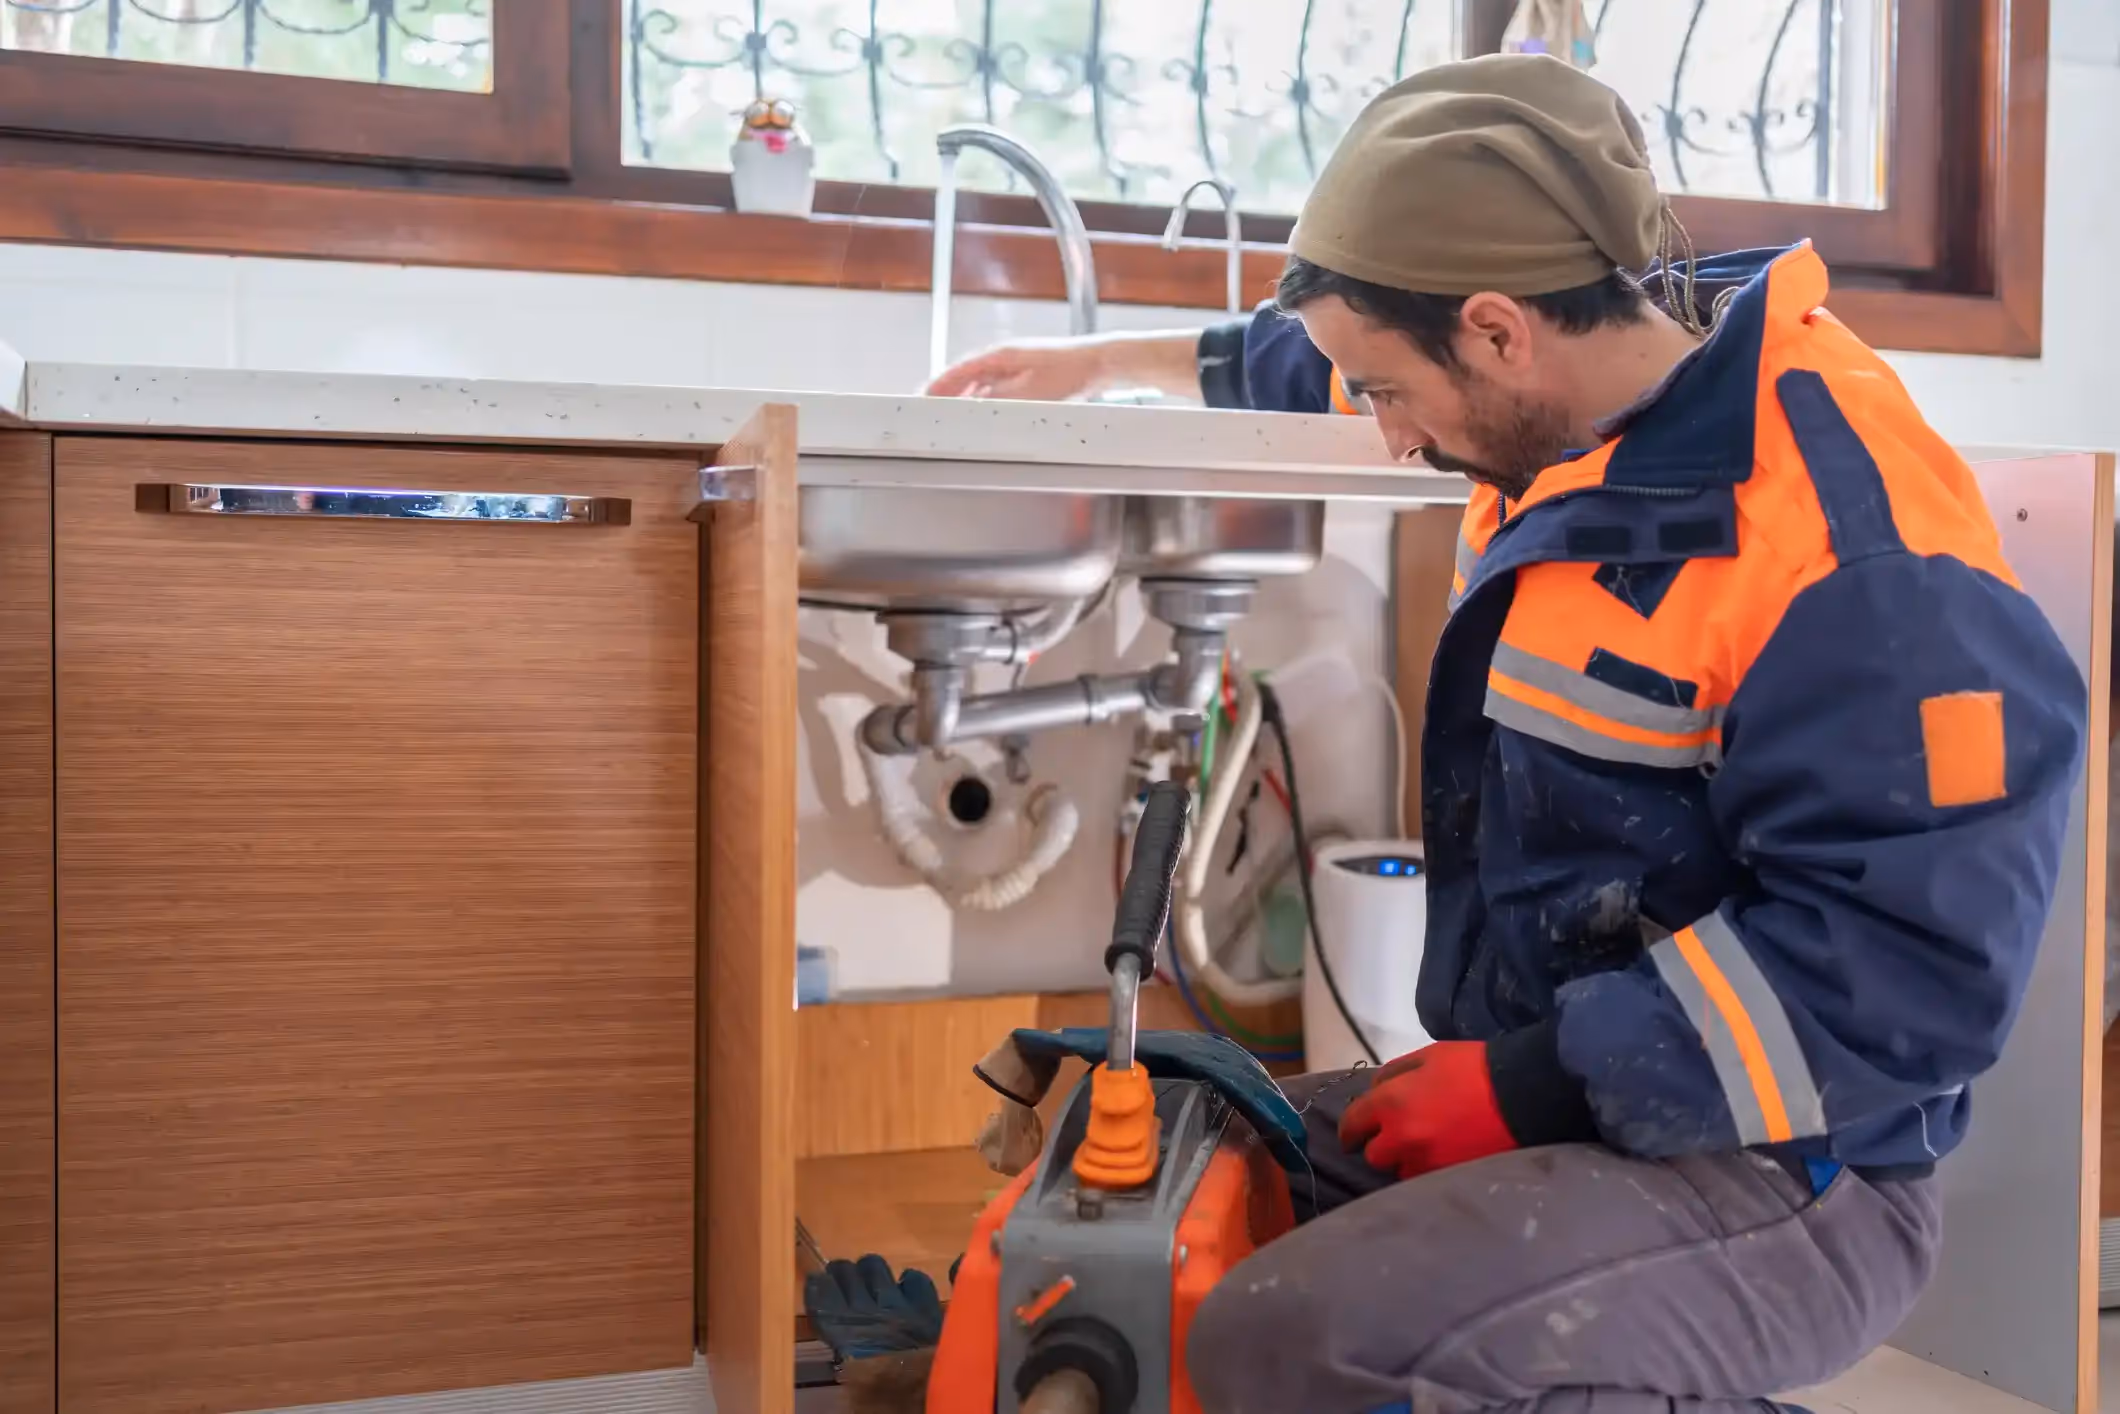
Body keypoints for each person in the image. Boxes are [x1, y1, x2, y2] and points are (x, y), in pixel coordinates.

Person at [924, 54, 2087, 1414]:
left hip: (1799, 1170)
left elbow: (1909, 974)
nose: (1389, 441)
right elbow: (1331, 341)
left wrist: (1529, 1089)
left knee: (1292, 1340)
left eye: (1386, 395)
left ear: (1496, 329)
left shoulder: (1849, 550)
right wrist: (1091, 361)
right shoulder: (1572, 382)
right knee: (1170, 1158)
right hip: (1595, 1096)